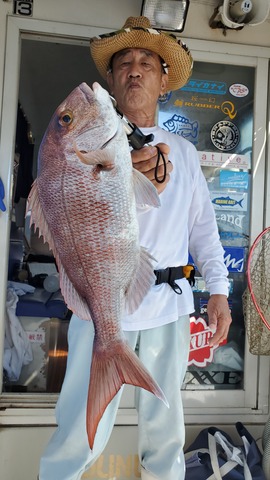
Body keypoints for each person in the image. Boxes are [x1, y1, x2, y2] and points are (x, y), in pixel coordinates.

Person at [39, 15, 232, 480]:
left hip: (168, 310)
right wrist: (129, 176)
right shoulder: (88, 146)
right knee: (78, 432)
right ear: (111, 80)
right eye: (124, 62)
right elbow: (70, 206)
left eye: (147, 62)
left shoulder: (183, 152)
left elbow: (203, 228)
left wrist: (220, 291)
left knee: (165, 435)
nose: (135, 70)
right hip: (97, 310)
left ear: (164, 80)